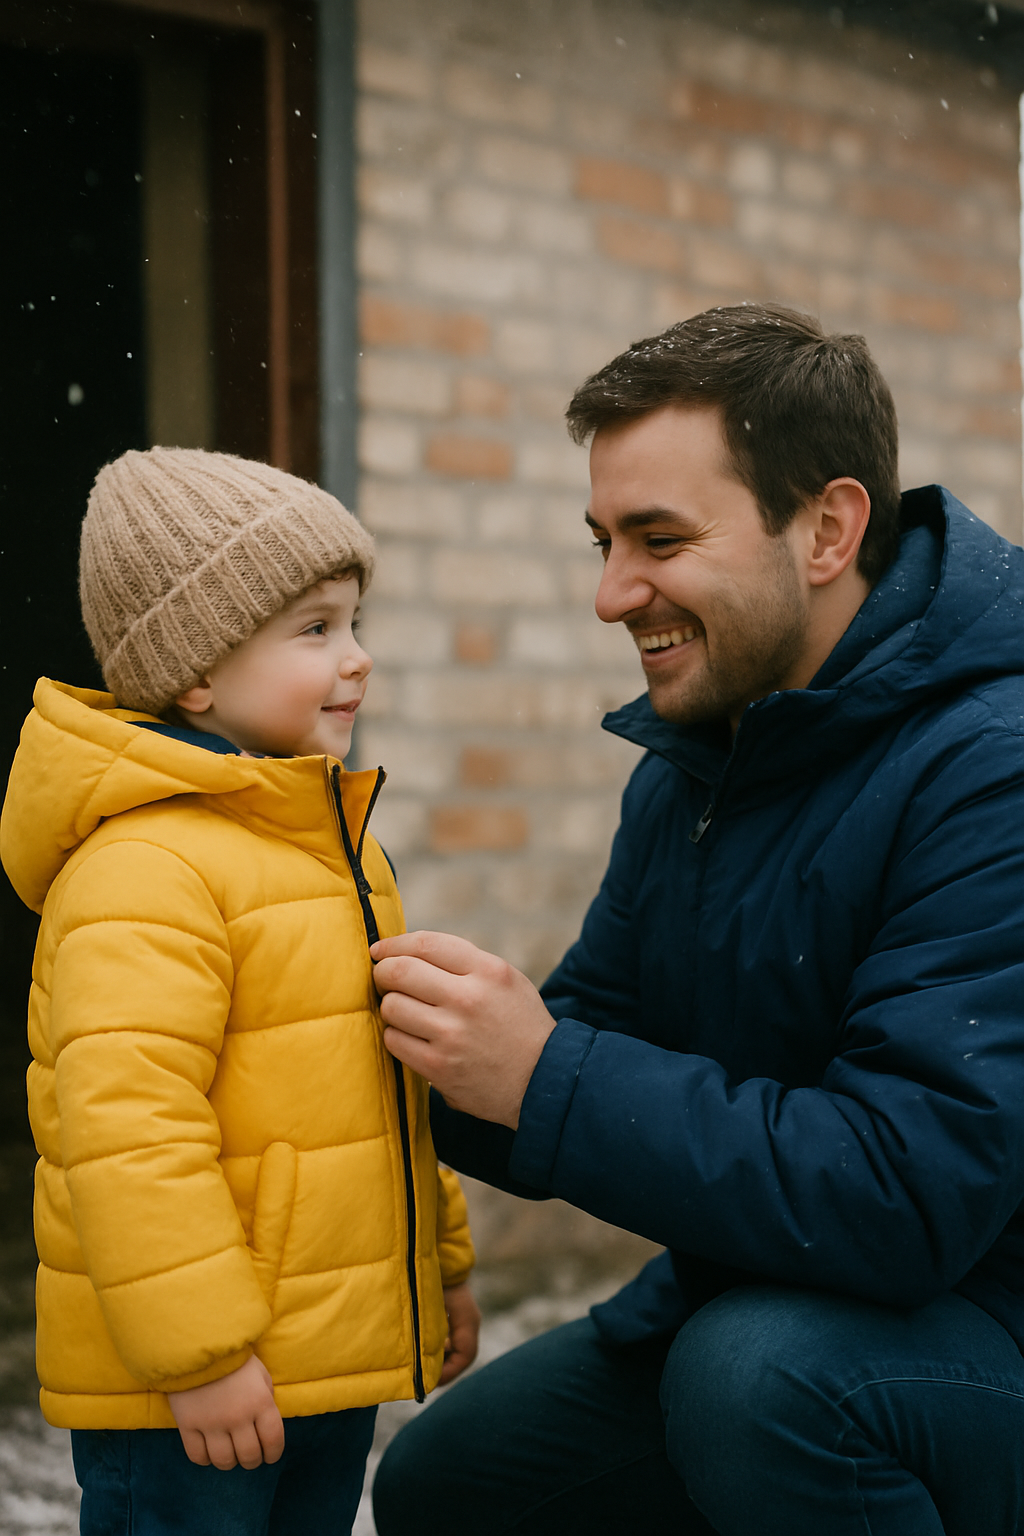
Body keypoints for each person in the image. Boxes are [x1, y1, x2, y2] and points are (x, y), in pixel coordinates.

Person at [370, 304, 1024, 1536]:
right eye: (603, 540)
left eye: (658, 538)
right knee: (450, 1480)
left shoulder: (992, 769)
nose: (613, 593)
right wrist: (389, 1031)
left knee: (757, 1382)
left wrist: (546, 1075)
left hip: (976, 1335)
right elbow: (586, 1035)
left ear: (826, 528)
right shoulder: (696, 764)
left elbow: (905, 1194)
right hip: (781, 1304)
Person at [0, 447, 479, 1536]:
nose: (355, 660)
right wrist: (200, 1354)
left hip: (323, 1362)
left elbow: (387, 1089)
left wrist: (436, 1266)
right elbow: (128, 1132)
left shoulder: (335, 849)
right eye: (314, 630)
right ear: (195, 672)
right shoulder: (145, 870)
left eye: (355, 623)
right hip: (191, 1393)